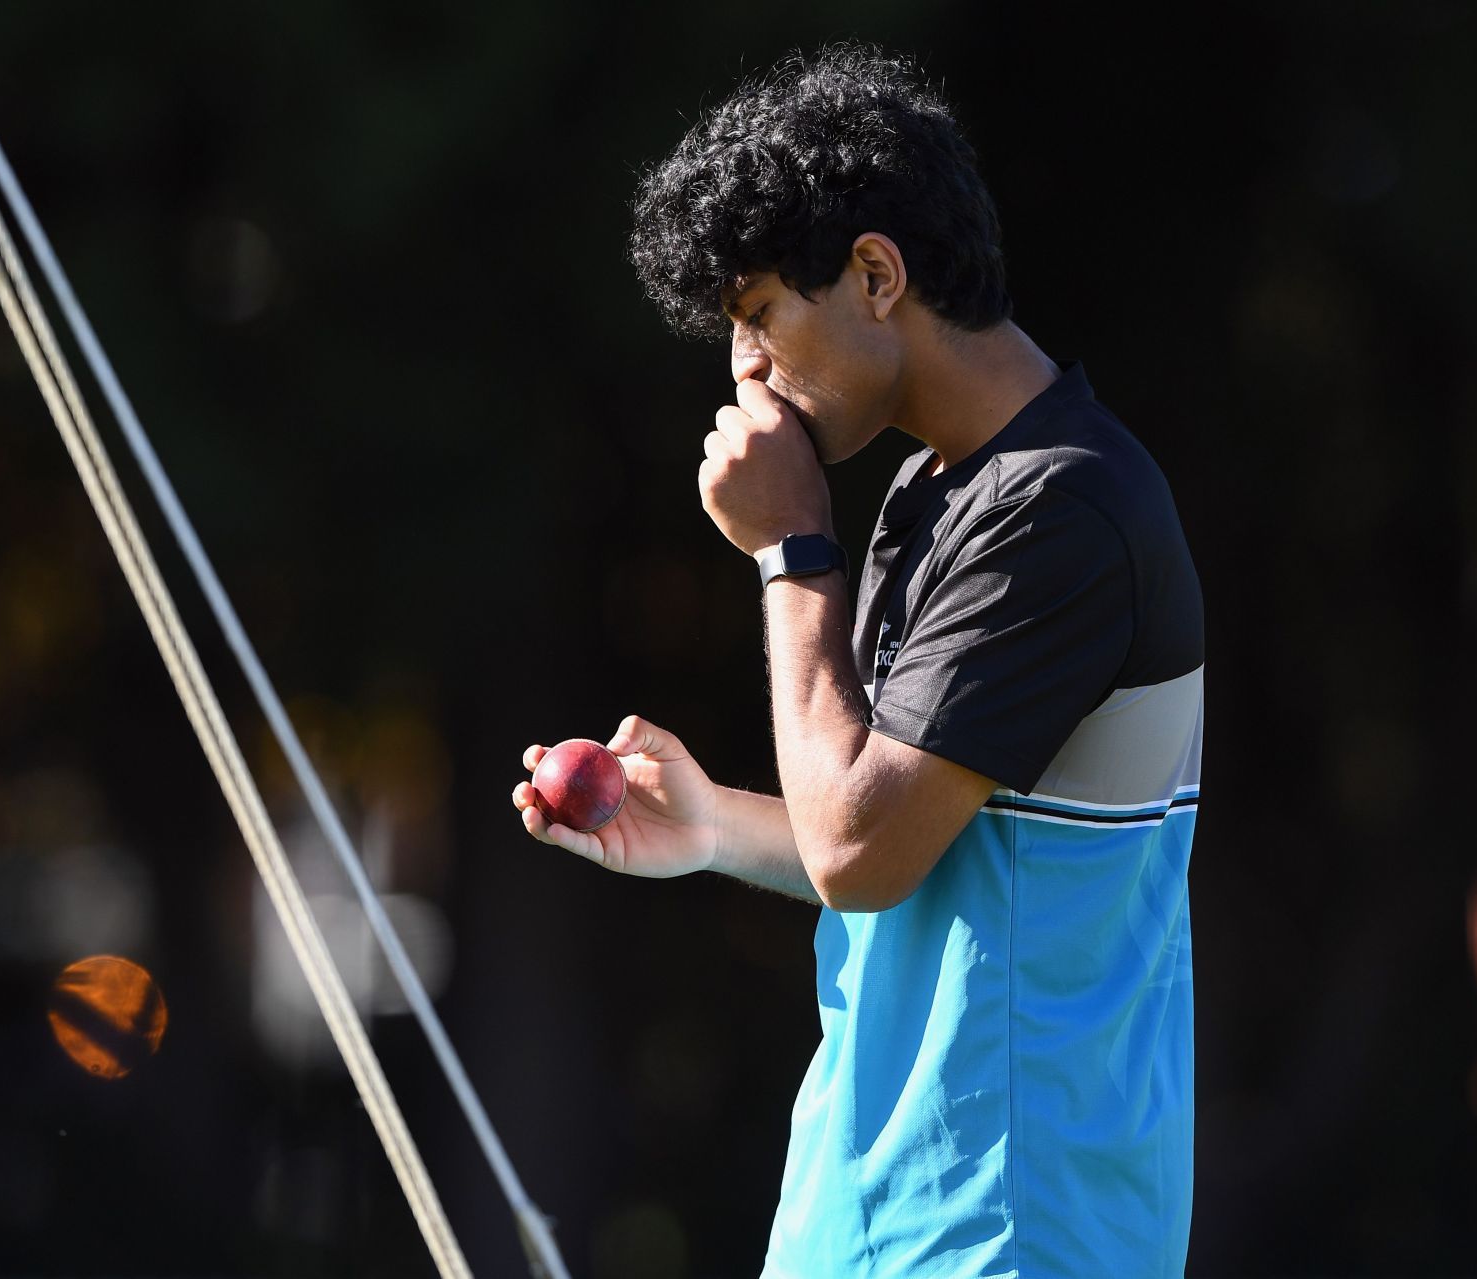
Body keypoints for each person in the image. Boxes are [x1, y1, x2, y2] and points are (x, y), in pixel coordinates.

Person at [511, 44, 1202, 1278]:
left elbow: (859, 851)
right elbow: (906, 841)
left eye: (760, 312)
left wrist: (792, 554)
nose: (746, 370)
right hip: (875, 1223)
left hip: (1012, 1233)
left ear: (877, 274)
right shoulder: (933, 494)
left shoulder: (1066, 511)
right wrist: (713, 827)